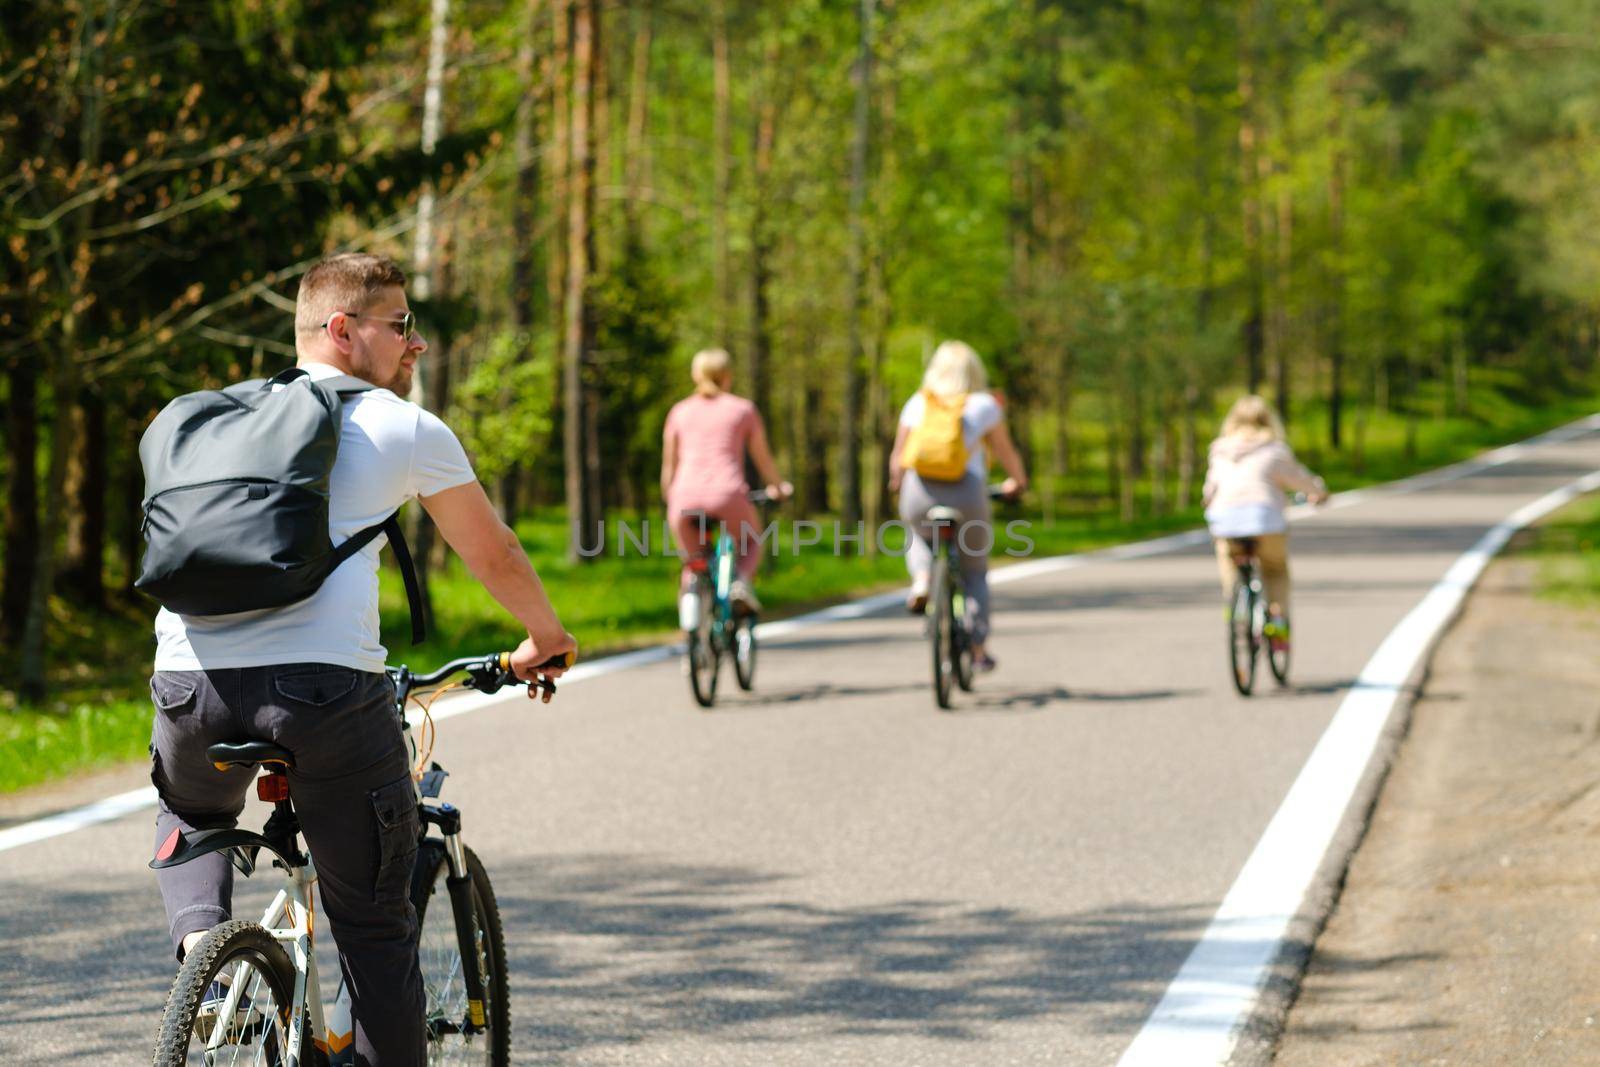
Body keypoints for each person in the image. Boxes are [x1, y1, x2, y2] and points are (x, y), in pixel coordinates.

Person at [147, 252, 576, 1065]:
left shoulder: (216, 420)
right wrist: (545, 638)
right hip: (323, 694)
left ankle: (203, 953)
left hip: (186, 687)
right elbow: (497, 555)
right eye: (402, 326)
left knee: (190, 808)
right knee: (375, 930)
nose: (416, 345)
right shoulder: (400, 426)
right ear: (343, 331)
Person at [888, 340, 1027, 673]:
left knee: (918, 537)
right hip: (967, 494)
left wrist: (896, 484)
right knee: (974, 570)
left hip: (919, 491)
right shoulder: (983, 405)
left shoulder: (918, 402)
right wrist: (1018, 483)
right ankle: (978, 649)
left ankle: (921, 580)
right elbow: (1005, 453)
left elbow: (898, 458)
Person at [660, 348, 791, 615]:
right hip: (728, 494)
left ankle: (691, 621)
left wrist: (670, 498)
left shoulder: (679, 412)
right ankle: (740, 584)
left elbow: (669, 467)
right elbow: (763, 460)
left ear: (695, 375)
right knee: (751, 541)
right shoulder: (742, 409)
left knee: (693, 562)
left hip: (684, 497)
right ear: (728, 376)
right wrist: (779, 488)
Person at [1202, 393, 1328, 650]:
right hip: (1266, 521)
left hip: (1225, 521)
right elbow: (1300, 481)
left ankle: (1235, 606)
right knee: (1275, 569)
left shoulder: (1219, 450)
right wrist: (1318, 492)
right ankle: (1278, 626)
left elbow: (1210, 490)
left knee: (1229, 559)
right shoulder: (1274, 450)